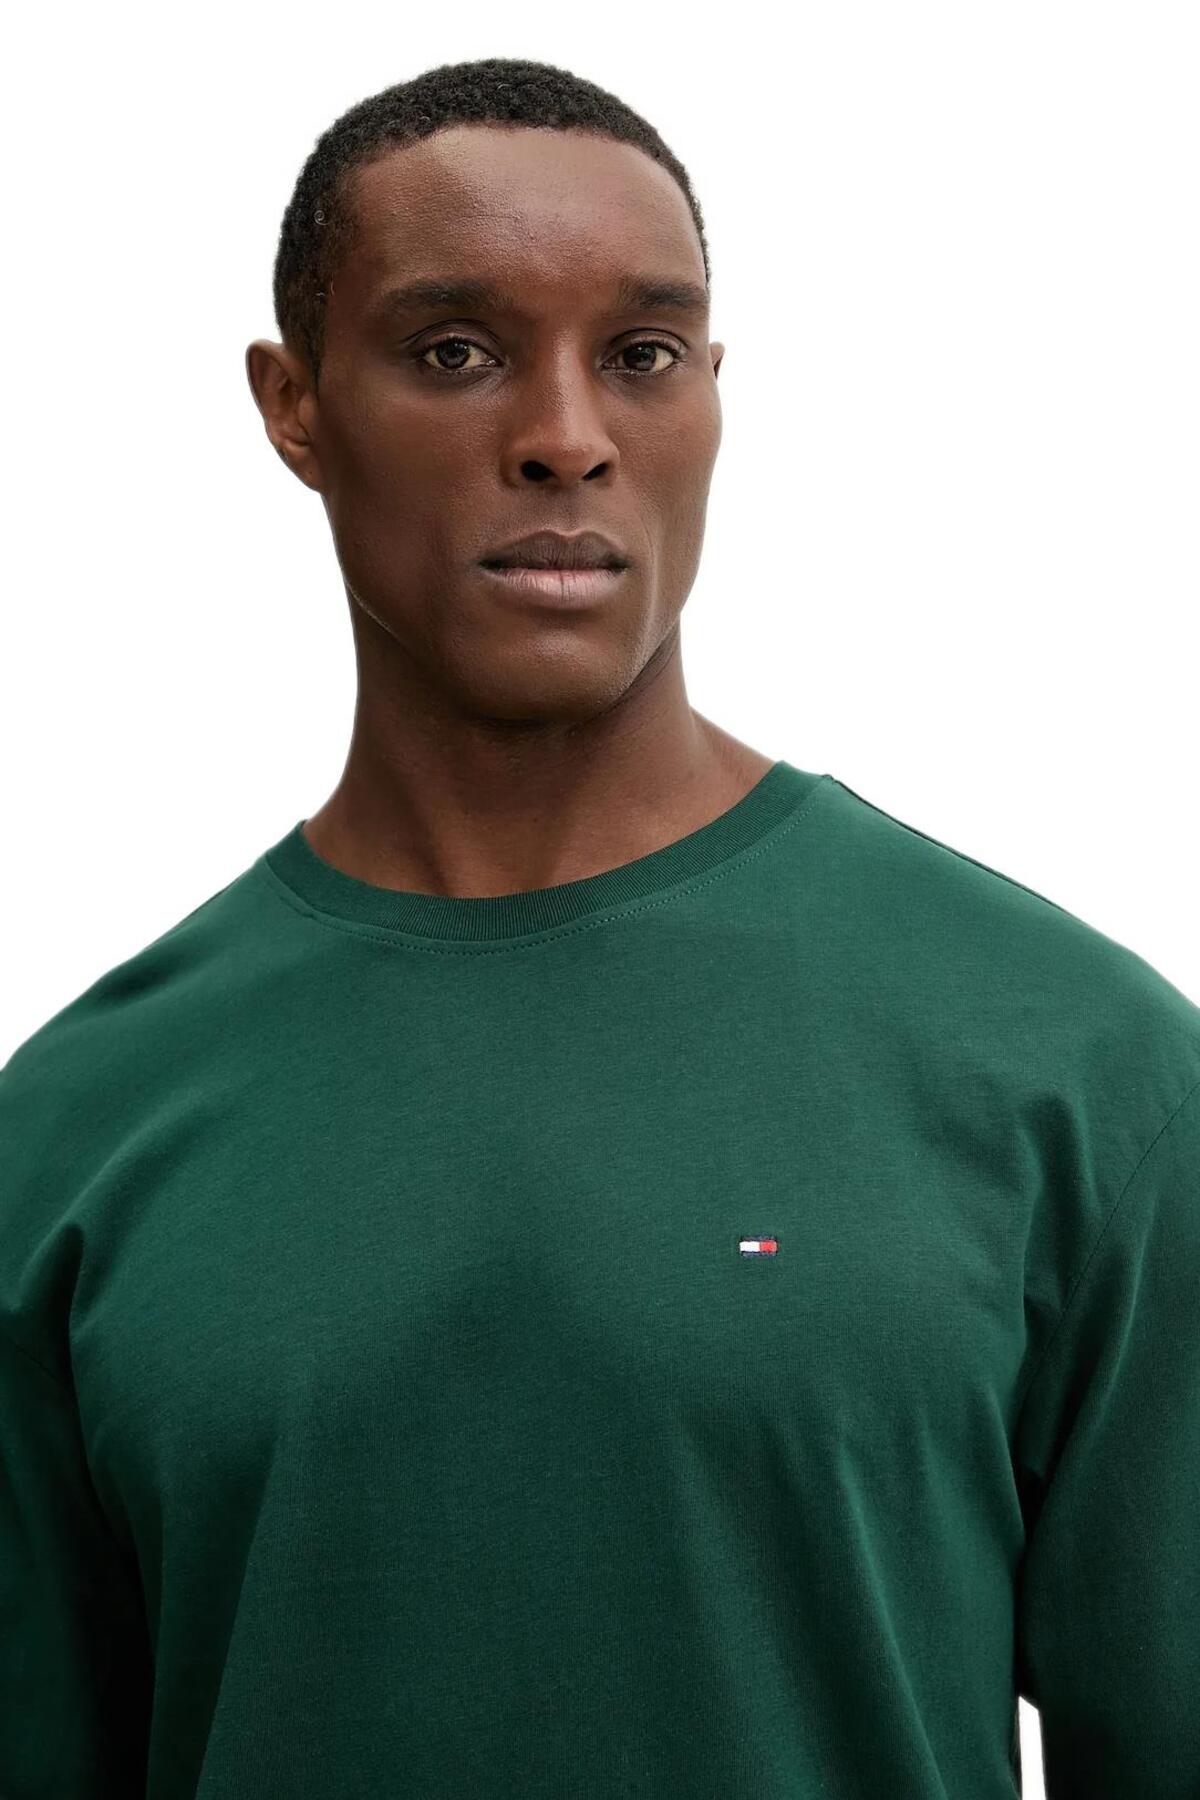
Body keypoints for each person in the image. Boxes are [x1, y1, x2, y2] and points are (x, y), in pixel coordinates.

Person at [1, 55, 1197, 1800]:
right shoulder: (71, 1139)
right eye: (454, 352)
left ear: (712, 393)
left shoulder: (1080, 1073)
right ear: (294, 406)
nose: (566, 433)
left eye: (642, 354)